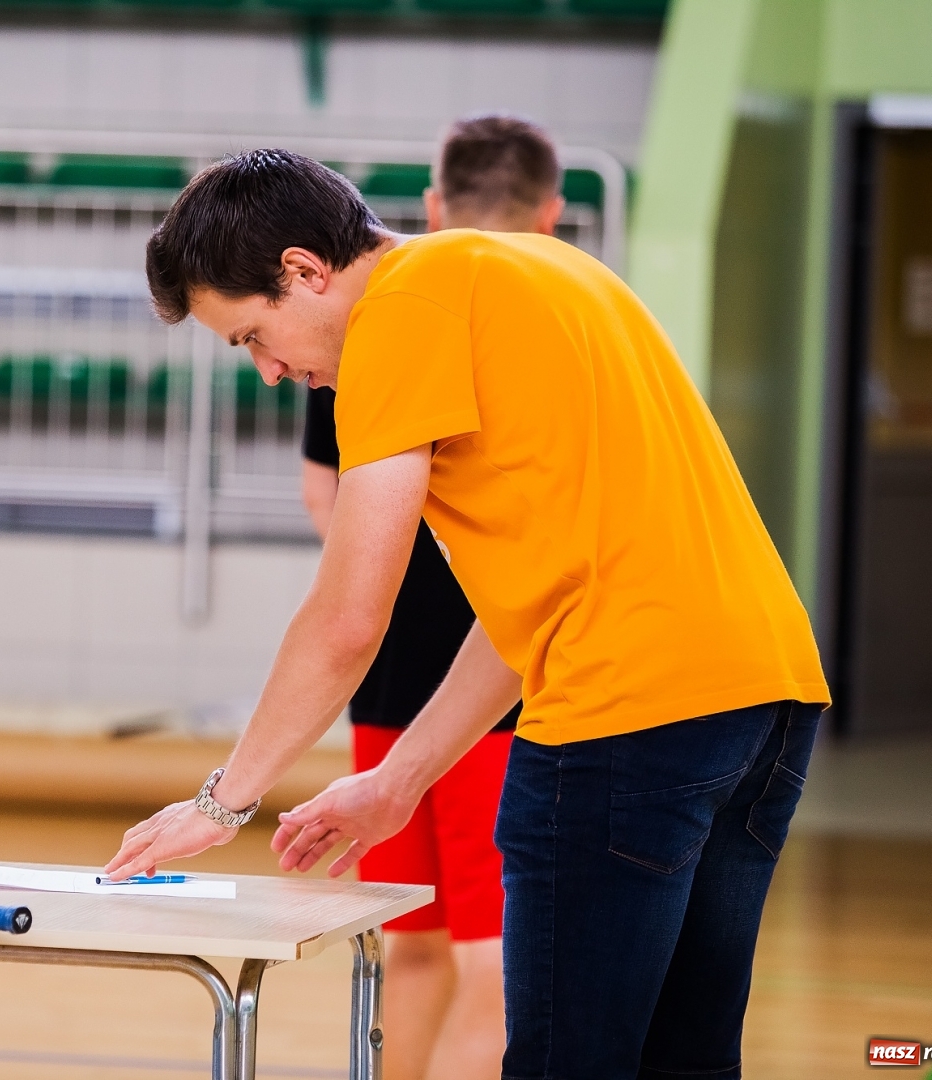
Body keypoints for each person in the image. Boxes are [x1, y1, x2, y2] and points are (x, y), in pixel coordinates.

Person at [105, 148, 828, 1080]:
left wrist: (224, 801)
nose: (270, 372)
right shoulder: (538, 268)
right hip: (763, 705)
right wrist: (401, 778)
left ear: (303, 271)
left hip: (626, 719)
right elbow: (534, 604)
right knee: (683, 1059)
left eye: (252, 336)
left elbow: (347, 617)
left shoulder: (399, 319)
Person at [297, 115, 564, 1080]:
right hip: (500, 673)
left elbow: (325, 489)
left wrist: (379, 573)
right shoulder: (542, 320)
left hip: (402, 669)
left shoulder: (369, 324)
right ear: (554, 213)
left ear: (434, 206)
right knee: (488, 958)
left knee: (408, 940)